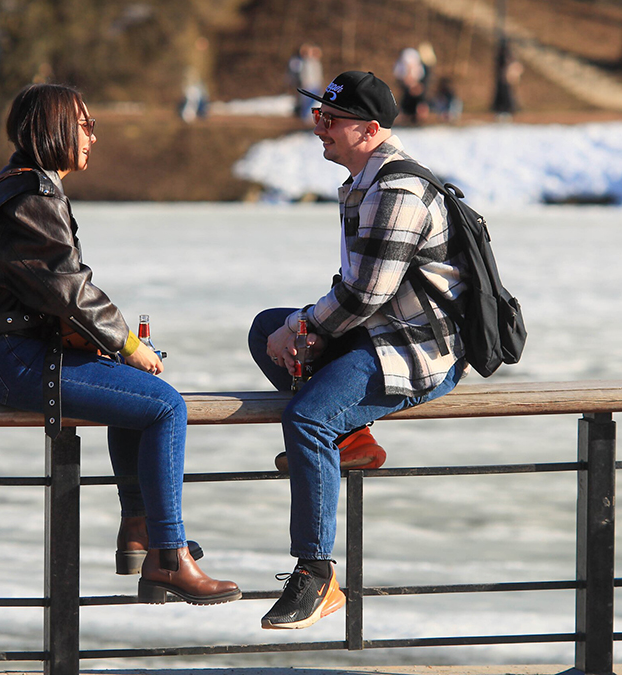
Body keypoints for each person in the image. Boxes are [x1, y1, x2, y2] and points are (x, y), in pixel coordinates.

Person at [0, 83, 240, 606]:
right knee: (166, 406)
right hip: (7, 359)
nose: (93, 138)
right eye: (85, 125)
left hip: (4, 352)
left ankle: (140, 531)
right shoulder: (29, 199)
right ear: (56, 129)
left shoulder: (14, 188)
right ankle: (167, 556)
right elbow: (70, 288)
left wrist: (108, 349)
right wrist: (127, 343)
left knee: (136, 396)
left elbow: (52, 290)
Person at [248, 71, 466, 629]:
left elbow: (367, 292)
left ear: (369, 129)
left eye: (330, 119)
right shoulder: (365, 180)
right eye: (318, 115)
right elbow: (363, 289)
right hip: (382, 331)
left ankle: (316, 575)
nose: (318, 127)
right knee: (264, 333)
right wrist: (300, 330)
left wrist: (305, 326)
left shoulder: (397, 190)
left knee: (308, 417)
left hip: (418, 350)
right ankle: (355, 442)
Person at [491, 38, 522, 121]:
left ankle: (507, 110)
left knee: (507, 96)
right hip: (503, 79)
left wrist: (512, 75)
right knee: (503, 96)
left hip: (507, 79)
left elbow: (515, 67)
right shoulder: (503, 56)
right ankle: (502, 110)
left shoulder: (509, 56)